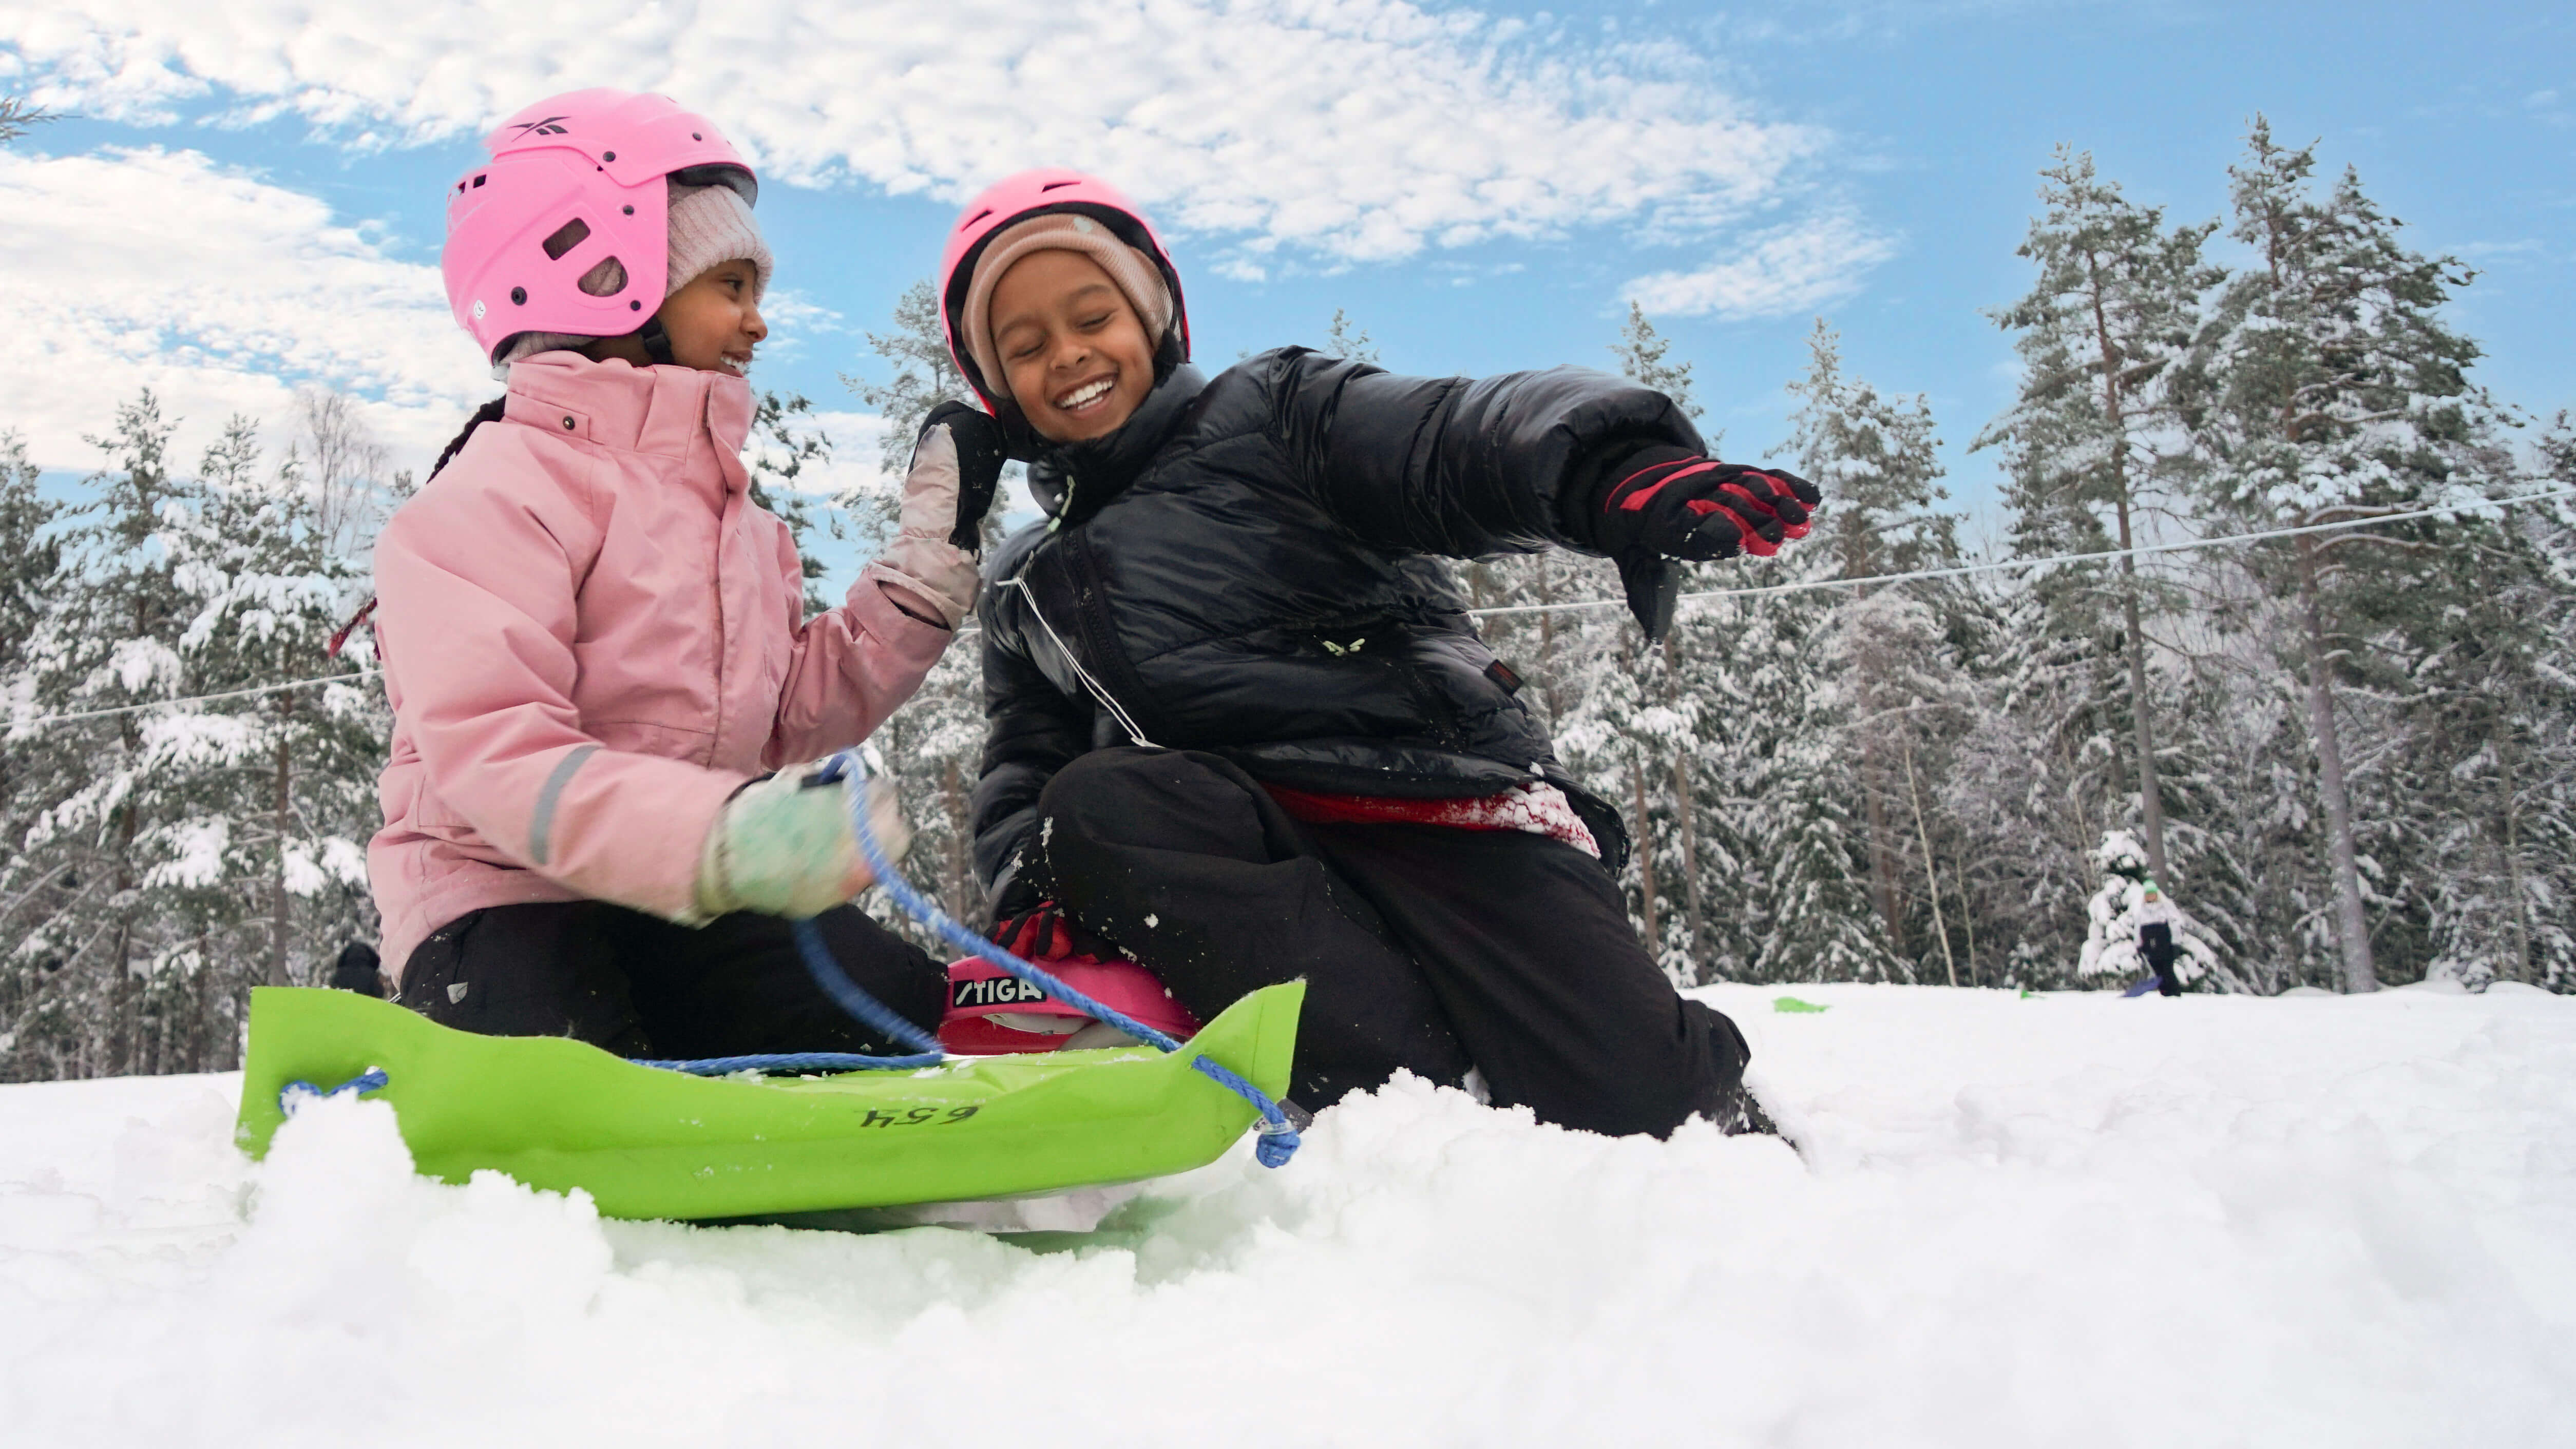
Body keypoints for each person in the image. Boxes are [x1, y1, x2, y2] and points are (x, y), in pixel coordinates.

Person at [933, 171, 1822, 1138]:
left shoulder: (1275, 415)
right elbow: (1025, 752)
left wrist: (1612, 471)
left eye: (1091, 317)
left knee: (1649, 1113)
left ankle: (1634, 1088)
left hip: (1440, 810)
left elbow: (1449, 440)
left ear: (1152, 317)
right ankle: (1420, 1109)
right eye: (1024, 347)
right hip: (1254, 859)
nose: (1067, 356)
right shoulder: (1023, 579)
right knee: (1095, 802)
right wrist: (1029, 883)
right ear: (998, 388)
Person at [366, 90, 996, 1060]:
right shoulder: (491, 498)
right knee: (556, 1054)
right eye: (731, 286)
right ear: (601, 273)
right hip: (502, 894)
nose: (758, 324)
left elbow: (783, 719)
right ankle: (405, 1001)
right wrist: (722, 837)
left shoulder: (734, 522)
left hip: (691, 898)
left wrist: (915, 587)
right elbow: (498, 755)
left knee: (893, 1018)